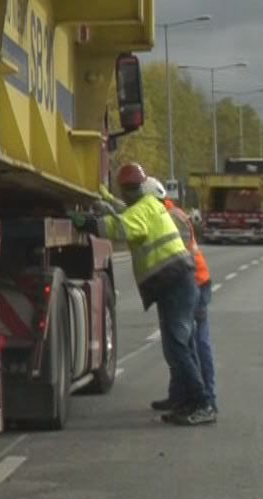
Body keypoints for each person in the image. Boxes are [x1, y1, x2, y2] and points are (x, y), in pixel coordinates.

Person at [74, 162, 214, 426]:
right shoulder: (150, 204)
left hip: (175, 283)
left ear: (128, 189)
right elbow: (126, 212)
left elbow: (122, 227)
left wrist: (88, 223)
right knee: (179, 347)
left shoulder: (141, 212)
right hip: (176, 283)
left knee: (178, 348)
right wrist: (104, 198)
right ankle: (187, 400)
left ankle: (202, 402)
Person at [149, 177, 216, 416]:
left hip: (194, 282)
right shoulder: (164, 214)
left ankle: (207, 398)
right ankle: (179, 396)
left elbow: (179, 257)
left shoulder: (172, 217)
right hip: (185, 283)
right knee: (180, 345)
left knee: (195, 343)